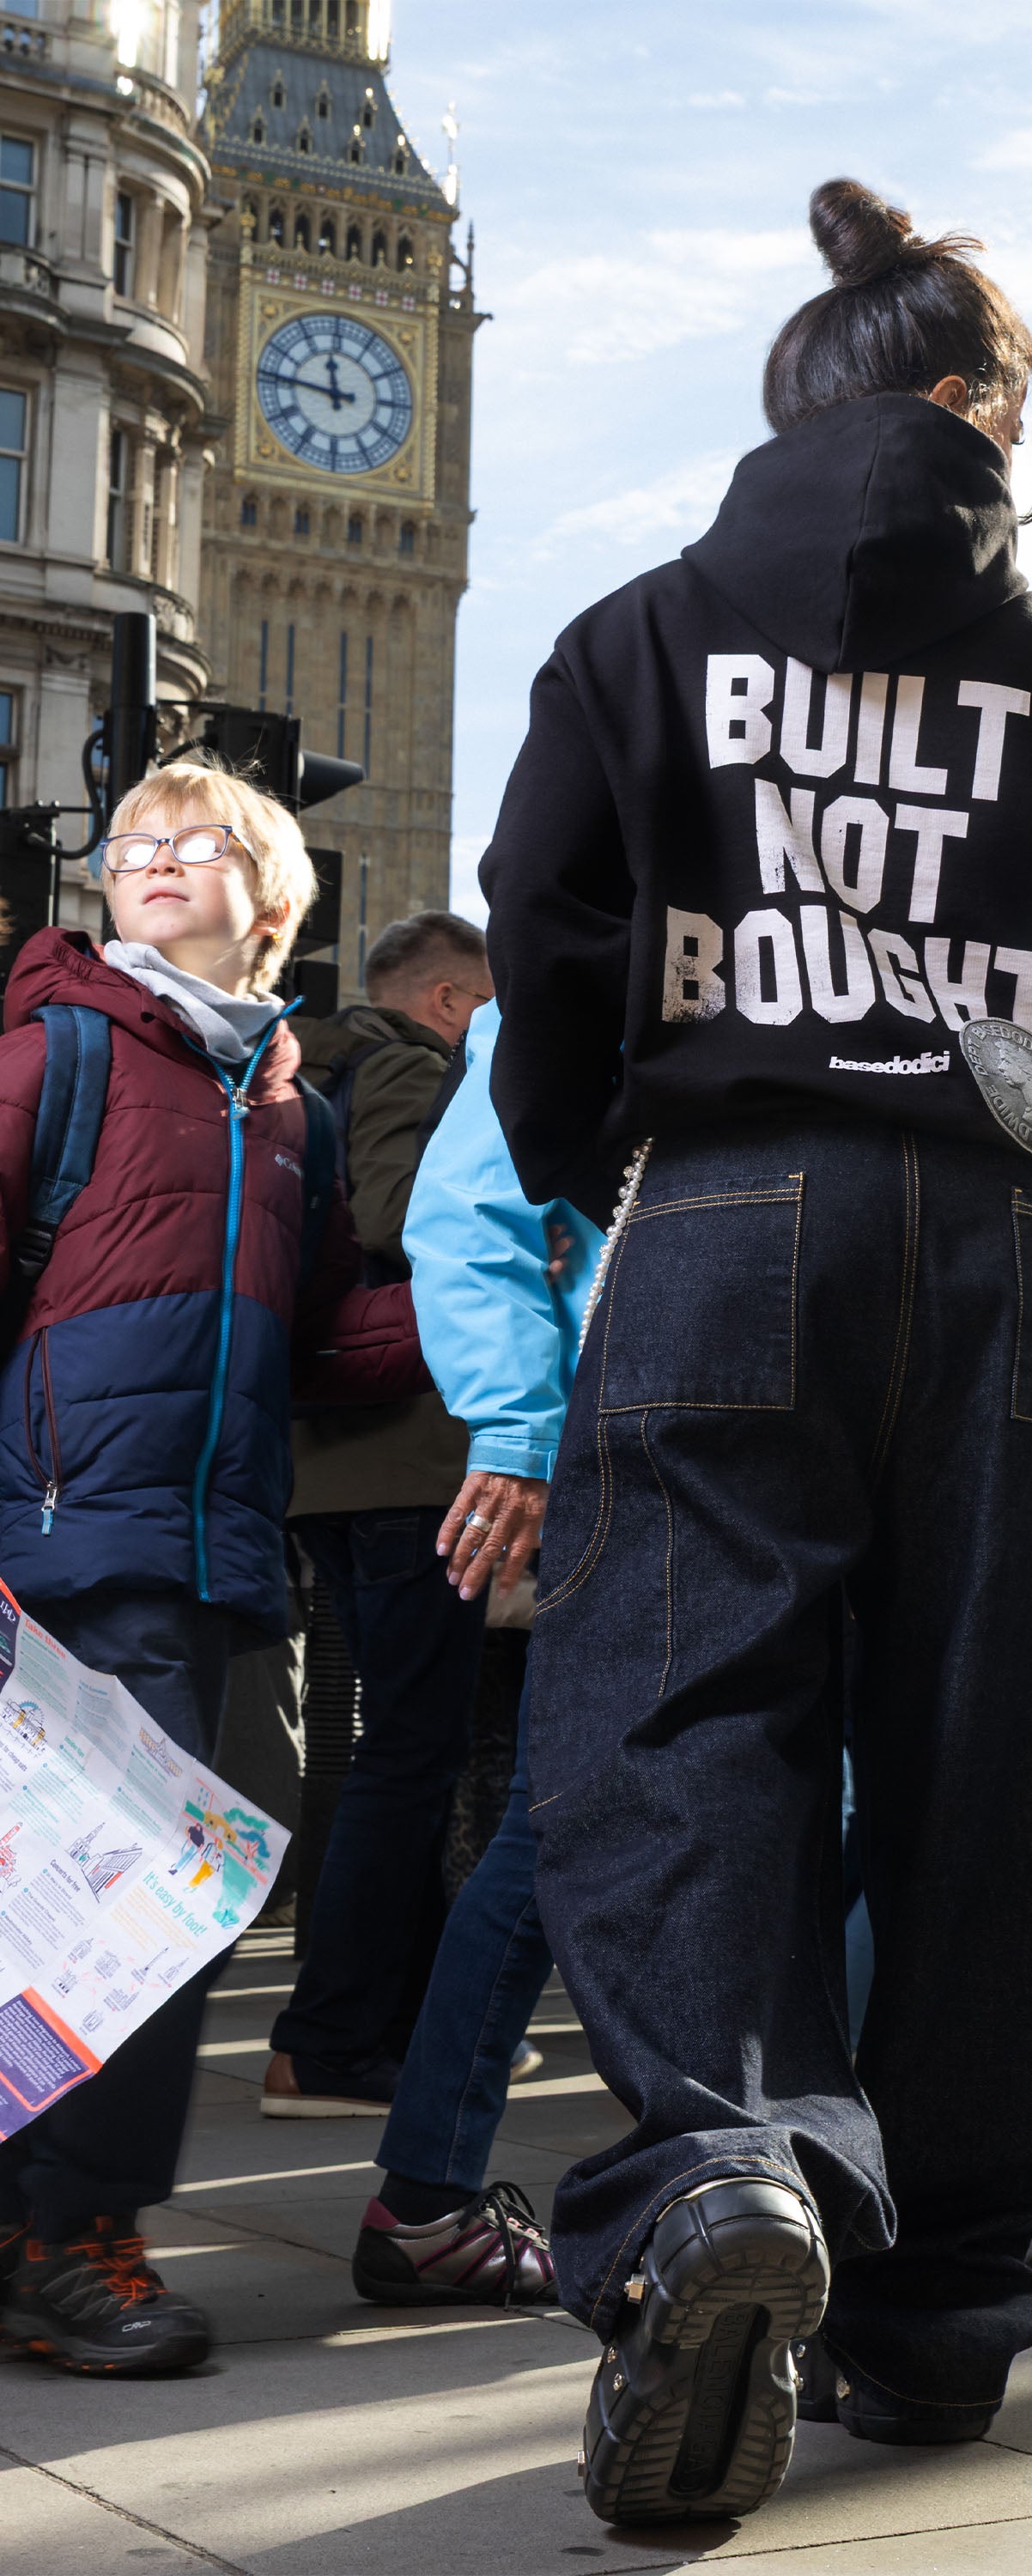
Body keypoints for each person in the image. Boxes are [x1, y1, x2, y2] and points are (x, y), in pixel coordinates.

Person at [479, 176, 1032, 2528]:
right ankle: (941, 2314)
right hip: (1023, 1265)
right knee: (995, 1778)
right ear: (988, 418)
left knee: (675, 1716)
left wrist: (600, 1162)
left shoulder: (634, 639)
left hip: (733, 1209)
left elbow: (542, 948)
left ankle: (735, 2170)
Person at [0, 762, 424, 2375]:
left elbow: (316, 1344)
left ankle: (36, 2230)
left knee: (101, 1911)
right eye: (133, 848)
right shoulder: (67, 1050)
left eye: (199, 842)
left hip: (201, 1550)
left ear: (276, 894)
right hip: (60, 1535)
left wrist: (464, 1310)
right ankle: (74, 2238)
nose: (156, 862)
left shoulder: (284, 1106)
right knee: (136, 1911)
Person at [349, 999, 604, 2300]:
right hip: (639, 1458)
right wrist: (520, 1432)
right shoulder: (596, 956)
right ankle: (430, 2193)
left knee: (561, 1822)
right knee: (555, 1821)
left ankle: (431, 2192)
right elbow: (472, 1217)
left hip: (785, 1455)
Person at [264, 910, 496, 2117]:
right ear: (452, 999)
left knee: (401, 1751)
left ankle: (399, 2022)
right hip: (407, 1457)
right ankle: (331, 2035)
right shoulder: (415, 1065)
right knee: (411, 1757)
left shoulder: (311, 1068)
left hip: (331, 1456)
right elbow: (398, 1218)